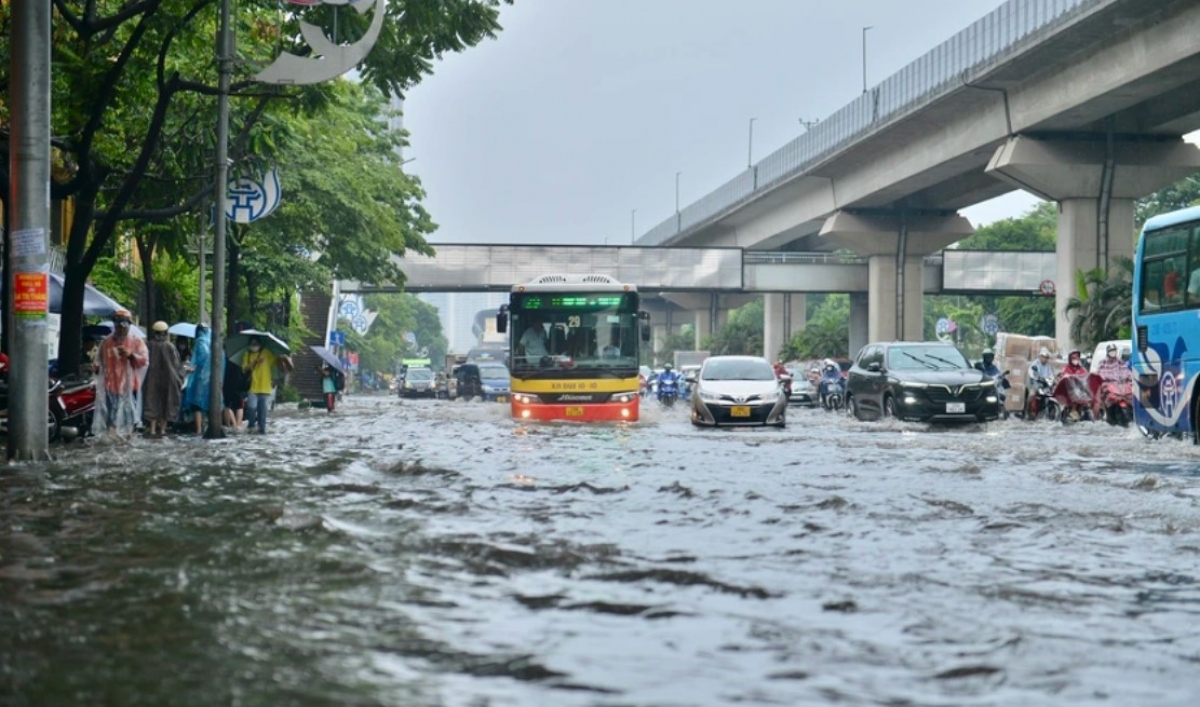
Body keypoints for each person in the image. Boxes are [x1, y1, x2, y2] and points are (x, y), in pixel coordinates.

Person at [92, 309, 149, 438]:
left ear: (129, 325)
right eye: (118, 326)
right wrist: (97, 368)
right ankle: (112, 438)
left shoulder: (136, 341)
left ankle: (128, 437)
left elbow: (144, 360)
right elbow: (99, 361)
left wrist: (131, 355)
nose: (121, 329)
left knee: (129, 414)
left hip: (130, 386)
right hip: (111, 385)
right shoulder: (106, 343)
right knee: (111, 414)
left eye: (124, 326)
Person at [142, 320, 184, 437]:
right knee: (167, 401)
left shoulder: (148, 345)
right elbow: (177, 364)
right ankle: (163, 430)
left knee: (152, 401)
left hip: (151, 379)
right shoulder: (170, 346)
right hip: (169, 379)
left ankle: (153, 429)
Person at [241, 336, 291, 434]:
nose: (254, 346)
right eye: (252, 343)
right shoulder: (247, 354)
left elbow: (276, 363)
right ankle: (251, 425)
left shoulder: (266, 353)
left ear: (259, 344)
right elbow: (244, 368)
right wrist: (254, 362)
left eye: (255, 344)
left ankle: (262, 430)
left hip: (265, 387)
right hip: (252, 387)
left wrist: (282, 358)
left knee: (262, 412)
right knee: (251, 408)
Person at [181, 323, 211, 435]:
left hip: (199, 377)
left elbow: (201, 359)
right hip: (209, 378)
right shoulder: (212, 342)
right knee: (207, 403)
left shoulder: (200, 342)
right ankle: (206, 426)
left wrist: (193, 367)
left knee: (196, 404)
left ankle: (198, 429)